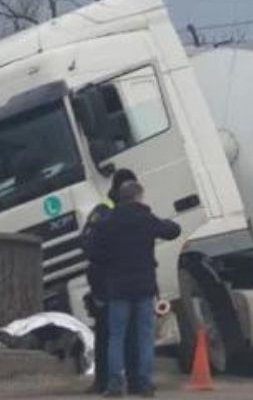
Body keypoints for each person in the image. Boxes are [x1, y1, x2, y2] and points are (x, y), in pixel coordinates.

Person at [95, 181, 181, 397]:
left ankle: (115, 385)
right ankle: (144, 383)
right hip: (144, 285)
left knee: (116, 336)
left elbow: (95, 251)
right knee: (144, 334)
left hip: (117, 286)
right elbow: (172, 231)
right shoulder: (146, 218)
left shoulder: (108, 221)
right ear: (138, 197)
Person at [81, 169, 139, 393]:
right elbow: (87, 244)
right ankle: (104, 381)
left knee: (129, 333)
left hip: (127, 279)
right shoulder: (104, 211)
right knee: (107, 333)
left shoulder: (132, 210)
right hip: (107, 281)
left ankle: (133, 380)